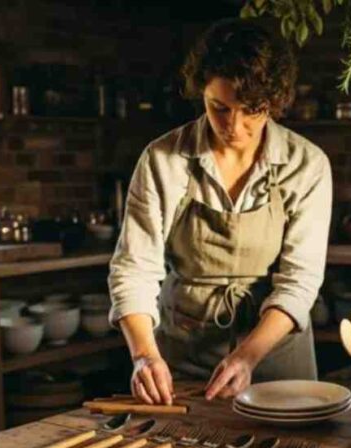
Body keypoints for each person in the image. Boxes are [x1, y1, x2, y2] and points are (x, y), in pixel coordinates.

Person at [108, 18, 332, 404]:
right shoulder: (164, 159)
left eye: (253, 111)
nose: (235, 126)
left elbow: (300, 280)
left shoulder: (306, 164)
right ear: (202, 95)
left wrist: (248, 355)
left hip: (275, 353)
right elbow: (134, 268)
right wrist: (144, 356)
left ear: (274, 103)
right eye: (220, 108)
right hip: (184, 351)